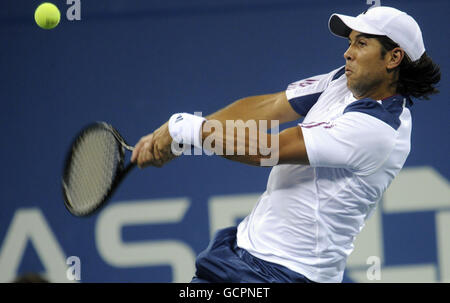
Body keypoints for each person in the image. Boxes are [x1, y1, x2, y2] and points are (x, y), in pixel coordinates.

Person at [130, 6, 440, 283]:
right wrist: (182, 140)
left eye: (361, 43)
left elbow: (269, 149)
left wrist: (185, 129)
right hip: (242, 252)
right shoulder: (341, 82)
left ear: (393, 57)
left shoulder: (378, 128)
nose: (348, 53)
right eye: (350, 42)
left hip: (287, 273)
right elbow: (268, 108)